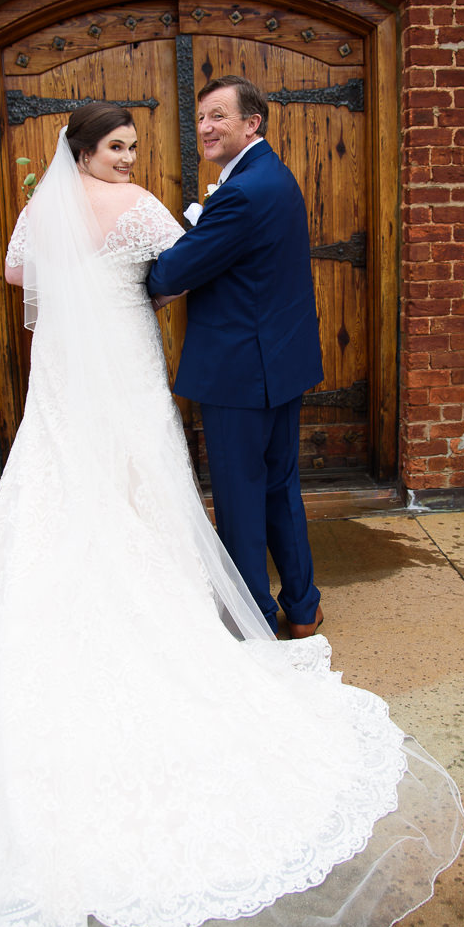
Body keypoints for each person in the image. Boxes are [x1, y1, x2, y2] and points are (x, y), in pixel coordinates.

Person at [0, 103, 464, 927]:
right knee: (142, 474)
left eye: (131, 148)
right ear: (85, 146)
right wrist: (136, 265)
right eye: (116, 146)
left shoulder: (44, 205)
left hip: (71, 370)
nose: (128, 156)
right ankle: (169, 596)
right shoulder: (146, 205)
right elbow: (174, 278)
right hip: (124, 355)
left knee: (66, 474)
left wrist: (78, 274)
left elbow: (15, 275)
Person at [148, 75, 323, 637]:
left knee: (241, 500)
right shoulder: (273, 176)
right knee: (279, 490)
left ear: (253, 123)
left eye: (218, 116)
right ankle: (302, 607)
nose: (206, 128)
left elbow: (171, 273)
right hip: (278, 363)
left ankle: (255, 620)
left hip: (240, 373)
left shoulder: (243, 192)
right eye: (201, 117)